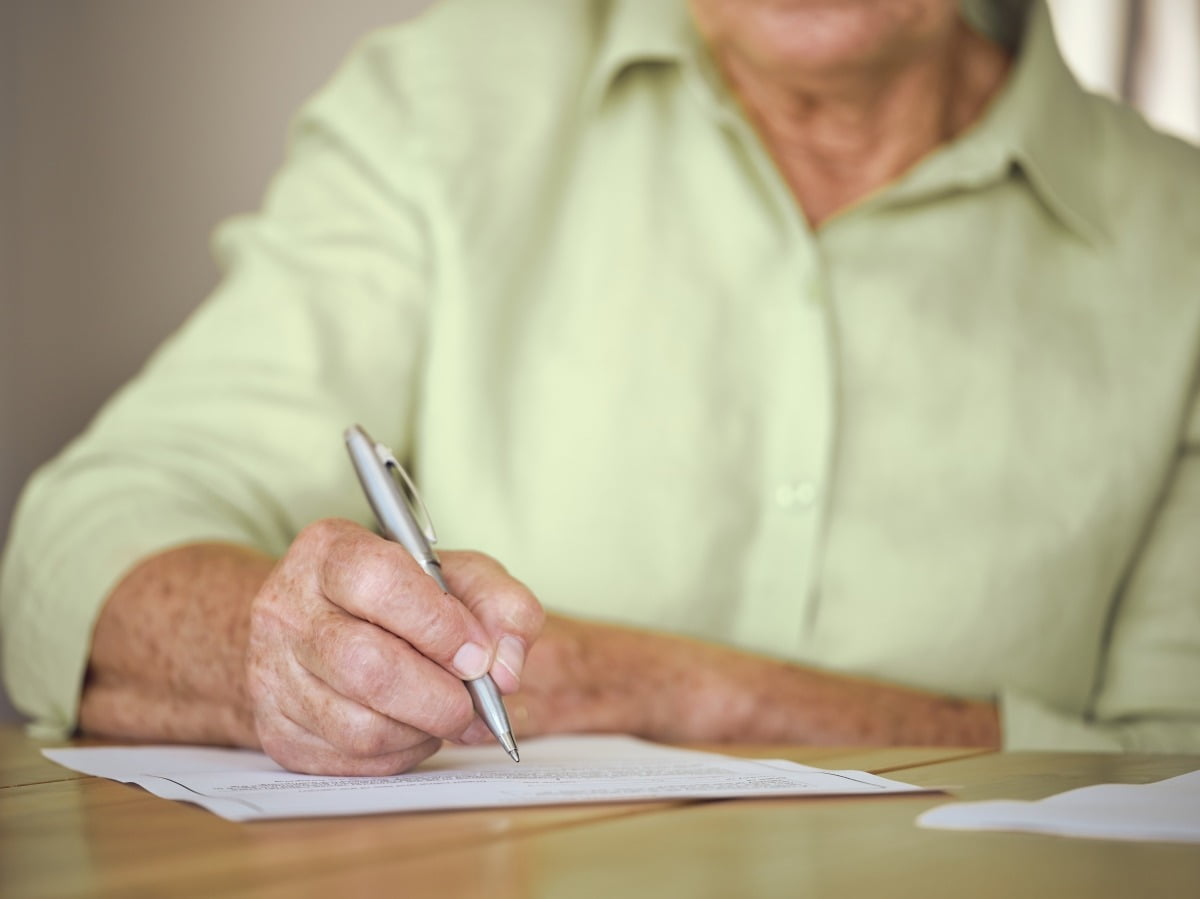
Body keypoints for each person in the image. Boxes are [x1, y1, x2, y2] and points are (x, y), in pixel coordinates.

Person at [3, 0, 1199, 775]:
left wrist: (676, 691)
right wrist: (279, 650)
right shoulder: (440, 102)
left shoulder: (1180, 238)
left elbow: (1172, 776)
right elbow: (81, 542)